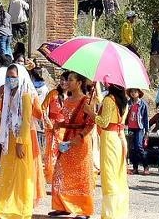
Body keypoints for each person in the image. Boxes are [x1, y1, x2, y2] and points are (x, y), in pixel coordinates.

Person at [0, 64, 44, 219]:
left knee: (20, 172)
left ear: (21, 77)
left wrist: (20, 142)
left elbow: (26, 121)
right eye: (9, 77)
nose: (11, 79)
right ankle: (3, 204)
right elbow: (7, 117)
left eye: (14, 76)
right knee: (8, 170)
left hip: (21, 139)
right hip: (9, 137)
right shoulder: (7, 94)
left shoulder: (25, 95)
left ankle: (18, 207)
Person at [49, 72, 95, 218]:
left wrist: (80, 136)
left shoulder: (87, 101)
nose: (67, 82)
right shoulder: (67, 100)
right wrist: (59, 124)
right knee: (61, 171)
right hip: (67, 138)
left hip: (81, 141)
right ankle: (63, 205)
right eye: (67, 80)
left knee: (81, 174)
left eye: (71, 80)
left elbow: (90, 124)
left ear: (79, 83)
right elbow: (68, 122)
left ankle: (83, 209)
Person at [85, 83, 130, 218]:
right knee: (118, 176)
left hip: (109, 139)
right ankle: (119, 211)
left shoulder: (109, 100)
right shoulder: (124, 102)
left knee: (109, 176)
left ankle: (110, 213)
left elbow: (103, 122)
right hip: (119, 138)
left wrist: (90, 112)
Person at [42, 74, 68, 183]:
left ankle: (63, 175)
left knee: (65, 152)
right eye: (61, 80)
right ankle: (52, 176)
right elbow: (42, 108)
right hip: (53, 126)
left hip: (66, 128)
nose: (63, 82)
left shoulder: (72, 96)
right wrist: (48, 123)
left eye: (66, 80)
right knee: (52, 151)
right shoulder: (53, 93)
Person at [126, 88, 150, 175]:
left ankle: (146, 166)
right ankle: (135, 168)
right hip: (130, 128)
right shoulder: (128, 103)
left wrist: (147, 131)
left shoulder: (143, 104)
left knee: (139, 147)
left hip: (139, 128)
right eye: (131, 92)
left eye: (135, 92)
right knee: (132, 148)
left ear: (139, 93)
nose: (133, 93)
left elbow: (146, 119)